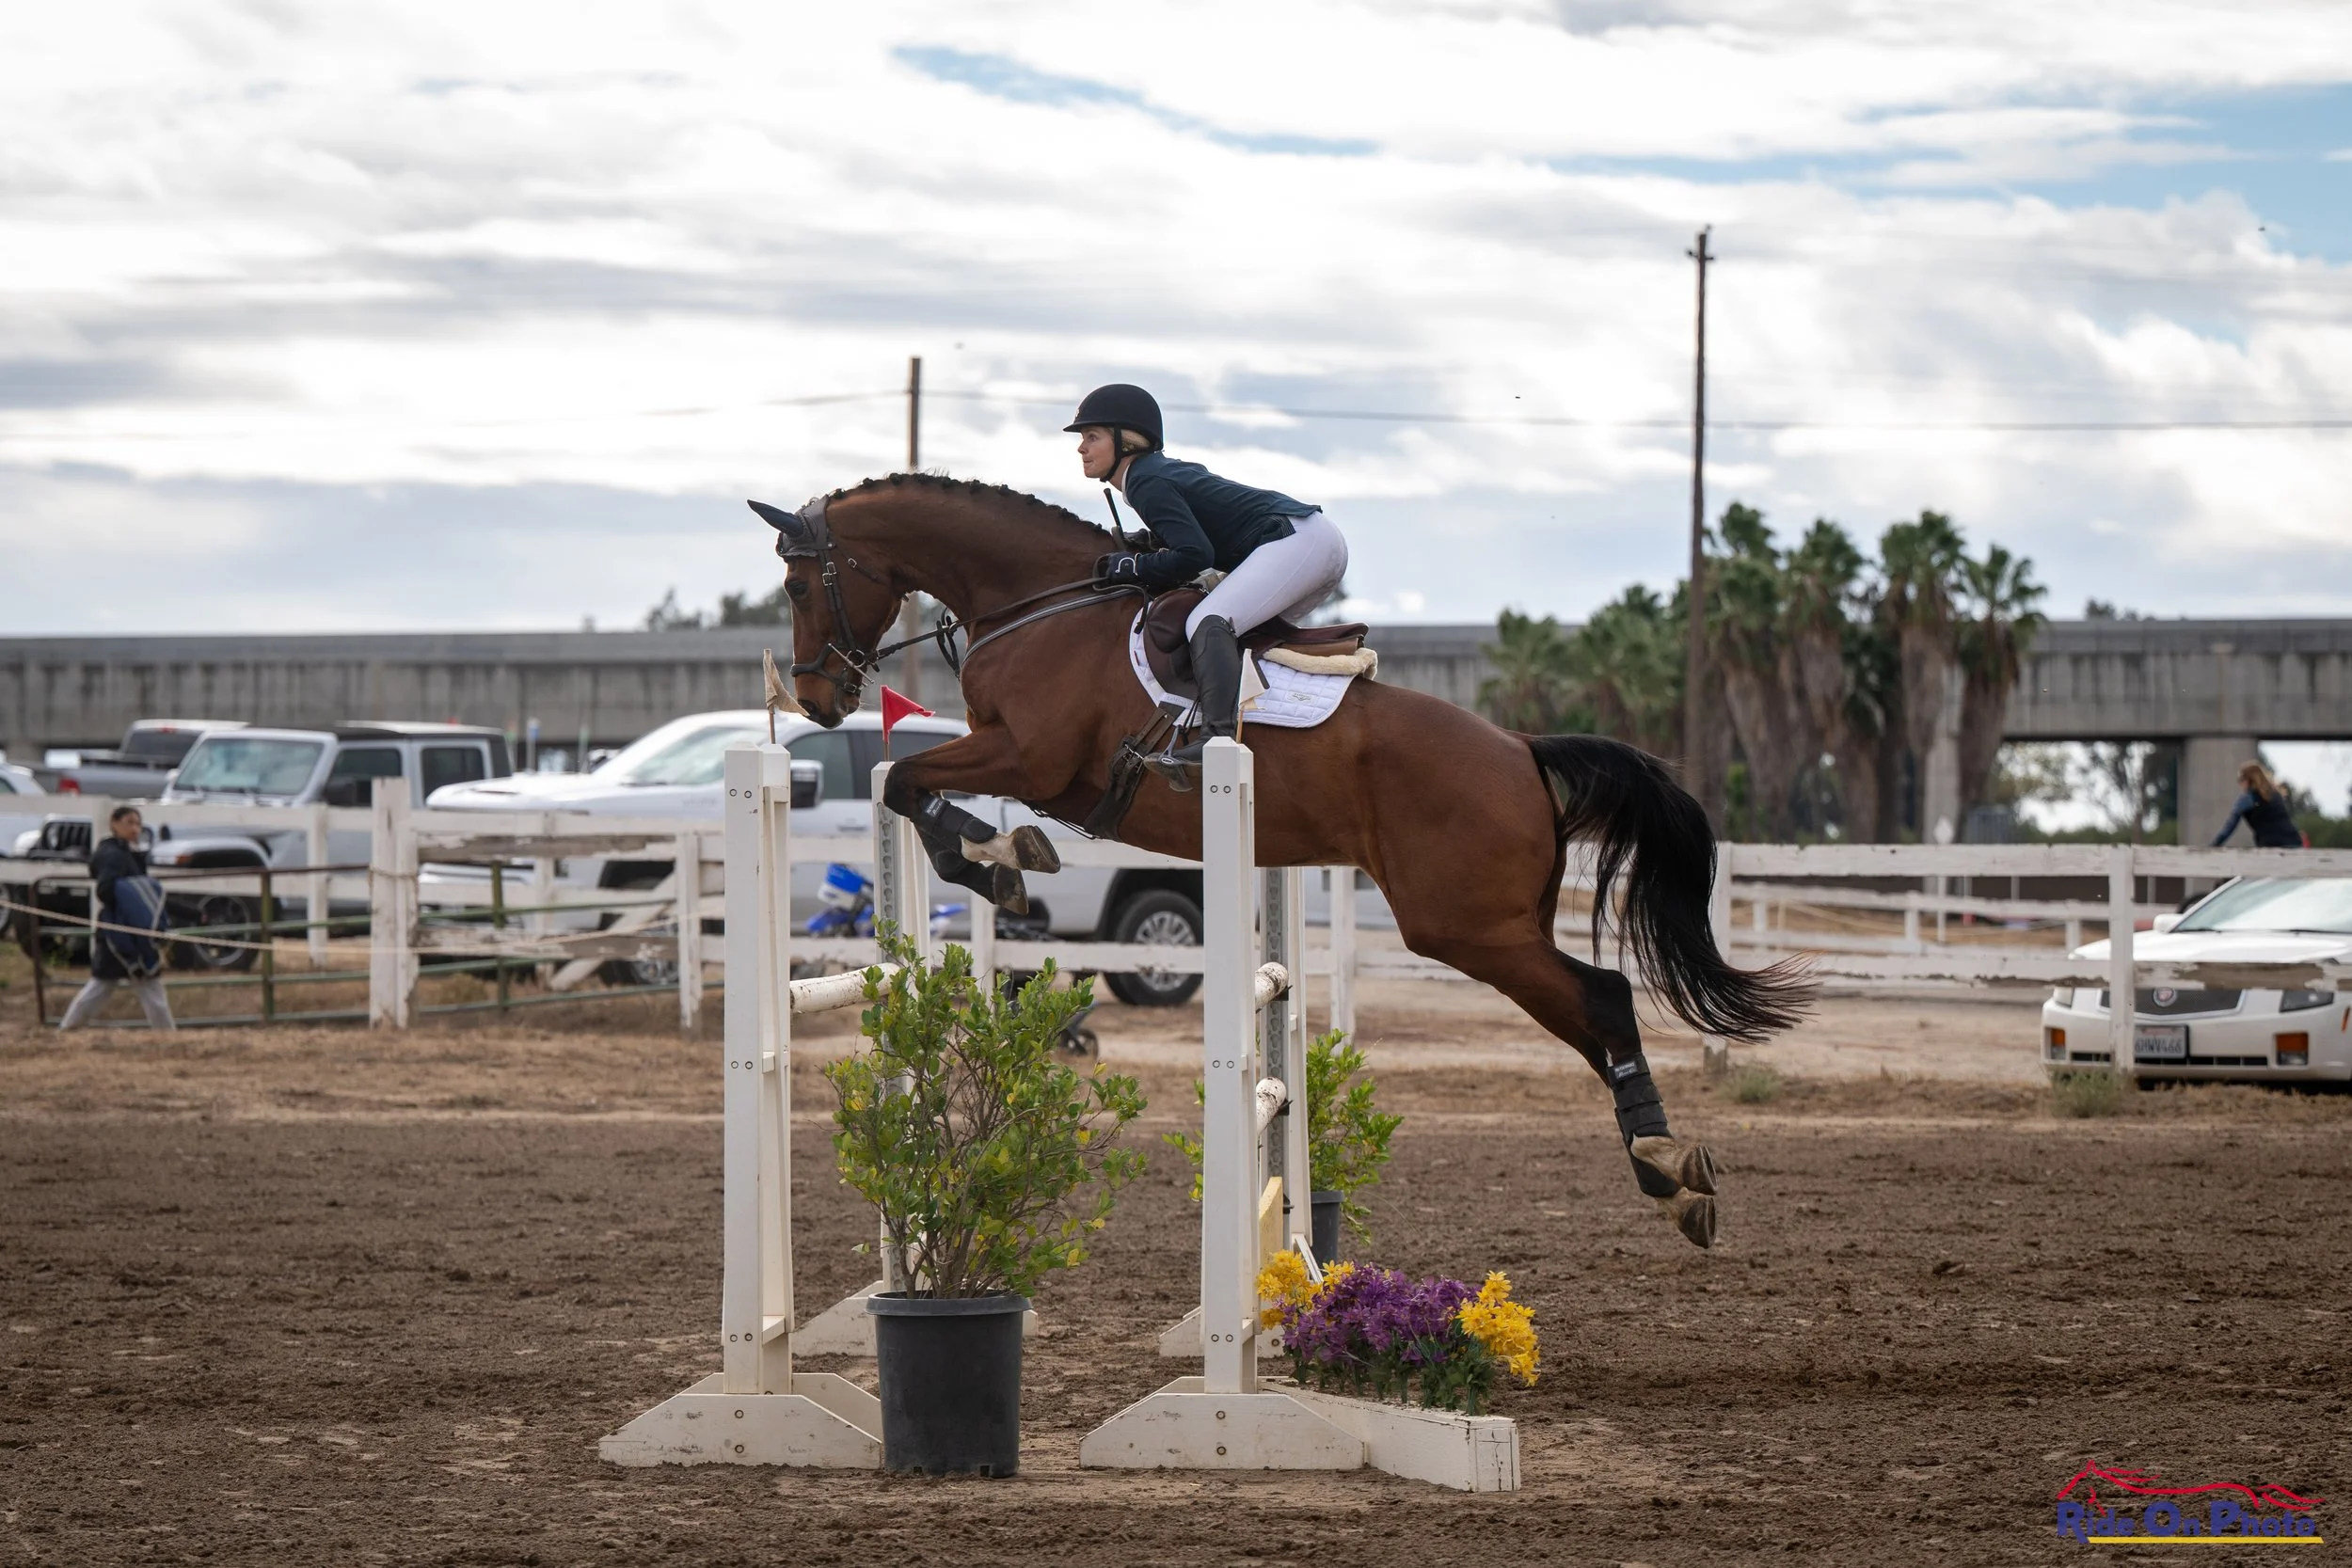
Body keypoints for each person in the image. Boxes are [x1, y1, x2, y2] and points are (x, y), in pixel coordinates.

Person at [1072, 384, 1348, 763]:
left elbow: (1193, 555)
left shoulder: (1145, 481)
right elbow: (1195, 544)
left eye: (1092, 437)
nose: (1081, 447)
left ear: (1126, 441)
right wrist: (1148, 547)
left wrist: (1134, 566)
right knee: (1238, 640)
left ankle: (1216, 742)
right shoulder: (1151, 475)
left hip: (1297, 540)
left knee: (1207, 619)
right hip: (1309, 542)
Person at [58, 805, 176, 1033]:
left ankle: (166, 1035)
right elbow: (106, 890)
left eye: (138, 824)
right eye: (129, 823)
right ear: (114, 823)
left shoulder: (127, 856)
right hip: (118, 931)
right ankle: (67, 1029)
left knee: (141, 987)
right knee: (102, 986)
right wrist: (129, 902)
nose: (135, 828)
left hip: (130, 932)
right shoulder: (112, 855)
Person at [2211, 761, 2304, 849]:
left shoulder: (2246, 799)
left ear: (2247, 780)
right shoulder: (2275, 794)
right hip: (2294, 842)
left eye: (2240, 780)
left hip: (2270, 846)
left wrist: (2213, 846)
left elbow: (2229, 827)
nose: (2239, 784)